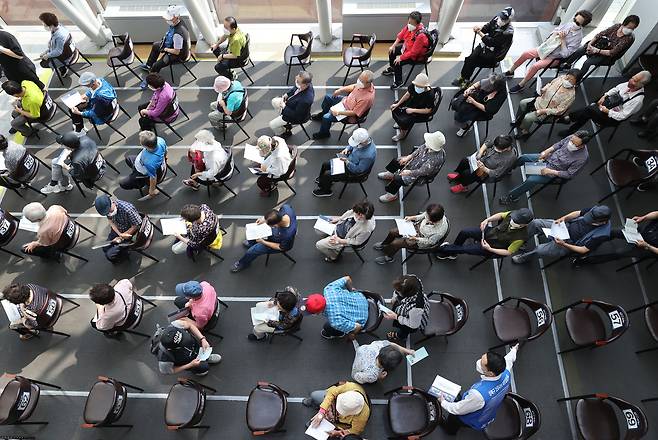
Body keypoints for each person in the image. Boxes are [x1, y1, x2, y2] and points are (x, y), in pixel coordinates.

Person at [506, 10, 592, 93]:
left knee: (535, 66)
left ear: (582, 25)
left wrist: (563, 40)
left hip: (555, 57)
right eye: (574, 20)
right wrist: (556, 33)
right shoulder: (569, 25)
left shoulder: (578, 38)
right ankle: (511, 70)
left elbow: (566, 54)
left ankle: (521, 84)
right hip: (546, 49)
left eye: (577, 23)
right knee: (526, 53)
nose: (574, 23)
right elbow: (554, 31)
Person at [440, 344, 519, 433]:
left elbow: (458, 409)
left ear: (490, 373)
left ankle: (450, 430)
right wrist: (514, 350)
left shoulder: (478, 395)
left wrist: (443, 402)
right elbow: (509, 359)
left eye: (482, 365)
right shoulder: (505, 371)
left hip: (474, 417)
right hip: (489, 411)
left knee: (454, 419)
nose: (479, 362)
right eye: (482, 358)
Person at [499, 131, 590, 205]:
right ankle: (509, 170)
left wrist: (551, 171)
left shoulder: (582, 158)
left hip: (553, 170)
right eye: (571, 141)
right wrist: (547, 151)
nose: (571, 143)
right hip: (549, 157)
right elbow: (559, 144)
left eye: (574, 144)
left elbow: (569, 174)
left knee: (531, 180)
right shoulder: (572, 137)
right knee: (524, 157)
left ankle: (512, 197)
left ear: (582, 146)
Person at [558, 71, 651, 136]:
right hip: (609, 104)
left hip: (611, 117)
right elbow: (616, 88)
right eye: (632, 77)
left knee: (589, 110)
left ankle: (569, 119)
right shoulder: (630, 83)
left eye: (634, 81)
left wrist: (608, 112)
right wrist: (604, 96)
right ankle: (571, 124)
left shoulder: (637, 101)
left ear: (641, 85)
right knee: (588, 110)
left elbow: (622, 116)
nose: (630, 81)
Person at [512, 205, 612, 264]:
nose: (588, 220)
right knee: (536, 223)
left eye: (591, 221)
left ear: (602, 222)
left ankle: (524, 258)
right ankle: (522, 242)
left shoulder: (602, 234)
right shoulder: (594, 210)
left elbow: (584, 249)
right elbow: (577, 213)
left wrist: (564, 244)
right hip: (564, 227)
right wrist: (563, 219)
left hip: (569, 243)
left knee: (539, 250)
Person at [563, 15, 640, 82]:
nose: (630, 30)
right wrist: (590, 44)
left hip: (607, 56)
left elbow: (612, 52)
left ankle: (577, 79)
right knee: (581, 50)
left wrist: (596, 50)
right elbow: (600, 34)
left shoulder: (628, 38)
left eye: (633, 29)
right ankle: (567, 64)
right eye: (629, 27)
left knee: (587, 63)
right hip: (599, 45)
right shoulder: (616, 26)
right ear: (624, 24)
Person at [452, 7, 515, 87]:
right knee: (469, 58)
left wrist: (479, 33)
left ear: (509, 20)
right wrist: (480, 28)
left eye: (504, 19)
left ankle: (466, 80)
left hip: (494, 54)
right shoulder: (497, 18)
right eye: (501, 17)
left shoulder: (508, 33)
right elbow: (488, 26)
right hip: (485, 46)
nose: (501, 20)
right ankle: (464, 77)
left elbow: (491, 42)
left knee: (472, 62)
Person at [437, 209, 534, 260]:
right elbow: (501, 215)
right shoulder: (514, 214)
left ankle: (441, 249)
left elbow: (509, 252)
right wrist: (487, 220)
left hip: (493, 246)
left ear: (524, 224)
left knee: (465, 249)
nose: (513, 220)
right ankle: (453, 252)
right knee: (465, 231)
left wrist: (489, 249)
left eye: (516, 221)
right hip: (490, 232)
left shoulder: (520, 238)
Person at [377, 131, 446, 203]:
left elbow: (422, 171)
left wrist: (409, 172)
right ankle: (390, 174)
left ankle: (392, 195)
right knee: (397, 161)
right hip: (414, 163)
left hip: (419, 175)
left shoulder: (434, 160)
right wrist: (408, 157)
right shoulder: (429, 145)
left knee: (397, 178)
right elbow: (419, 149)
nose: (426, 142)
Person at [510, 69, 579, 139]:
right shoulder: (561, 78)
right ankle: (519, 120)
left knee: (528, 118)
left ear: (575, 83)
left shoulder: (570, 96)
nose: (567, 81)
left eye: (571, 81)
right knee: (523, 103)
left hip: (547, 113)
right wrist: (543, 90)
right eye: (567, 78)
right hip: (540, 100)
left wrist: (543, 111)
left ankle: (525, 132)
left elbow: (559, 110)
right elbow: (549, 84)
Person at [574, 210, 658, 266]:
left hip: (650, 248)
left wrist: (647, 245)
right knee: (612, 232)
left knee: (619, 253)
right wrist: (643, 218)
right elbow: (656, 213)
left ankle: (584, 261)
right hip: (643, 233)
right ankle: (588, 246)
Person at [374, 204, 449, 264]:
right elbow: (423, 215)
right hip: (416, 228)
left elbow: (430, 242)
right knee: (392, 232)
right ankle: (384, 244)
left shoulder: (439, 232)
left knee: (395, 243)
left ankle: (388, 257)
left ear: (434, 221)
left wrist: (416, 239)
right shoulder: (433, 213)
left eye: (428, 218)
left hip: (420, 240)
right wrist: (412, 217)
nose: (426, 217)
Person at [231, 204, 297, 272]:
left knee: (252, 251)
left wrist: (263, 242)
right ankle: (251, 243)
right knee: (254, 234)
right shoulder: (286, 208)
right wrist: (264, 219)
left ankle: (243, 263)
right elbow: (277, 210)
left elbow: (280, 247)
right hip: (276, 234)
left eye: (269, 225)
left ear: (275, 225)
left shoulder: (287, 234)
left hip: (279, 243)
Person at [311, 70, 376, 140]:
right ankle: (323, 114)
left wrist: (338, 112)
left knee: (326, 117)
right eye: (359, 79)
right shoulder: (363, 84)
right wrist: (340, 90)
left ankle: (324, 133)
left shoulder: (366, 98)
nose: (359, 81)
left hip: (348, 113)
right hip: (346, 101)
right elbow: (354, 86)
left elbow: (354, 113)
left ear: (368, 83)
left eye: (361, 81)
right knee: (328, 97)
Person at [313, 128, 376, 198]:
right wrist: (347, 149)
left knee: (327, 175)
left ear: (363, 142)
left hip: (352, 171)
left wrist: (347, 162)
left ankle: (326, 191)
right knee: (325, 164)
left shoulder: (368, 155)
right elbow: (352, 145)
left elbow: (358, 170)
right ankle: (323, 181)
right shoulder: (364, 141)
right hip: (348, 160)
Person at [139, 5, 190, 88]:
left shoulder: (178, 34)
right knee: (156, 45)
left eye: (169, 18)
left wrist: (165, 49)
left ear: (176, 17)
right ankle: (148, 65)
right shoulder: (178, 22)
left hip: (177, 55)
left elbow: (177, 52)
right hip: (171, 46)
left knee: (156, 65)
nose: (166, 19)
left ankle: (149, 79)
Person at [448, 134, 516, 194]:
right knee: (464, 161)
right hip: (481, 161)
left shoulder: (508, 159)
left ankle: (463, 186)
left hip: (487, 172)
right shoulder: (501, 140)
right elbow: (487, 143)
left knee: (468, 174)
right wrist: (480, 153)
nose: (494, 149)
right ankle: (459, 176)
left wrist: (484, 168)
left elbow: (496, 174)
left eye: (497, 150)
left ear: (506, 148)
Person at [152, 320, 221, 376]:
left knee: (203, 348)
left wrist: (202, 339)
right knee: (203, 369)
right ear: (171, 349)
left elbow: (190, 325)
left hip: (195, 347)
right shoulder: (164, 359)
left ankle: (206, 357)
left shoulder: (175, 325)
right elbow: (171, 371)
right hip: (187, 361)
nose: (185, 341)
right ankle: (196, 370)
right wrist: (190, 365)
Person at [303, 381, 371, 437]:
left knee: (315, 427)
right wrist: (322, 411)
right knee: (314, 395)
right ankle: (315, 404)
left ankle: (323, 419)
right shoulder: (351, 386)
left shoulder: (363, 416)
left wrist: (338, 433)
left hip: (340, 423)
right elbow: (332, 392)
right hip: (331, 408)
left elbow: (355, 431)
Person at [383, 11, 430, 89]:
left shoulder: (421, 36)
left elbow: (413, 52)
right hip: (407, 48)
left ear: (418, 24)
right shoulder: (409, 27)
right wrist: (393, 46)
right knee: (392, 52)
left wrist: (400, 58)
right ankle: (393, 69)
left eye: (412, 23)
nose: (409, 24)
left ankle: (399, 82)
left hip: (415, 56)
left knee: (397, 62)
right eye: (409, 22)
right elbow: (400, 35)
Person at [94, 195, 142, 263]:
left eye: (109, 211)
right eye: (107, 213)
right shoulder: (108, 210)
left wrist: (121, 238)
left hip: (130, 232)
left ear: (111, 202)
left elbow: (136, 226)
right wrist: (119, 234)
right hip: (119, 230)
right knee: (105, 248)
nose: (109, 214)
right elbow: (111, 222)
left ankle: (124, 255)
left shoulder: (127, 209)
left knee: (110, 256)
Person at [118, 130, 166, 198]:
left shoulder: (149, 163)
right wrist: (164, 159)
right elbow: (165, 151)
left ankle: (141, 183)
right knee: (128, 158)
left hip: (142, 173)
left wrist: (151, 190)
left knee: (123, 184)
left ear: (145, 146)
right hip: (143, 165)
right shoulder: (160, 140)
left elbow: (153, 178)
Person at [383, 274, 430, 341]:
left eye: (398, 292)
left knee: (405, 330)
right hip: (408, 310)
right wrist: (394, 298)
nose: (396, 292)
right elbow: (397, 292)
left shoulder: (415, 308)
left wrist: (396, 317)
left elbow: (413, 325)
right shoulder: (414, 279)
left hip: (412, 321)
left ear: (406, 294)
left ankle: (399, 336)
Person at [389, 73, 436, 141]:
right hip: (412, 103)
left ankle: (403, 133)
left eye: (419, 87)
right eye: (416, 85)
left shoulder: (430, 95)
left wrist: (413, 110)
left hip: (420, 112)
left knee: (404, 120)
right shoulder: (414, 86)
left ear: (425, 86)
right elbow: (407, 95)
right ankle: (400, 124)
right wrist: (397, 104)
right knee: (394, 108)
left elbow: (428, 110)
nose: (417, 87)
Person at [269, 71, 315, 137]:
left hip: (296, 117)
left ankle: (284, 131)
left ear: (305, 85)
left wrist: (284, 107)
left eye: (298, 81)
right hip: (290, 106)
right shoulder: (304, 83)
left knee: (272, 125)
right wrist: (287, 94)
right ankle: (283, 120)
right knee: (274, 101)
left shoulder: (306, 100)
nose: (296, 81)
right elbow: (295, 88)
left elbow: (296, 115)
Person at [38, 12, 75, 77]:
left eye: (44, 25)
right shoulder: (59, 27)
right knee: (44, 59)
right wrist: (46, 52)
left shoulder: (59, 36)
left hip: (65, 56)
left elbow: (58, 51)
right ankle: (62, 67)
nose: (43, 26)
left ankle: (63, 68)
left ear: (51, 25)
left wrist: (47, 55)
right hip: (68, 49)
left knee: (43, 64)